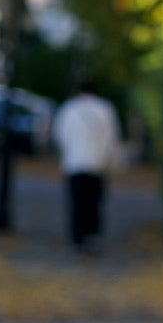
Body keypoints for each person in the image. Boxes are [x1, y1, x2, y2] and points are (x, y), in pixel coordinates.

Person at [53, 78, 124, 252]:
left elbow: (59, 135)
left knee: (77, 201)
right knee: (94, 201)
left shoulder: (68, 109)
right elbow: (113, 137)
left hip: (74, 163)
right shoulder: (105, 109)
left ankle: (78, 237)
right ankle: (93, 235)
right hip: (97, 163)